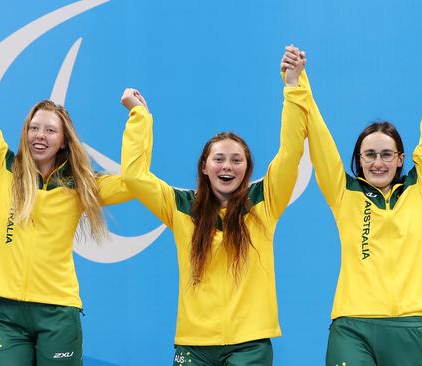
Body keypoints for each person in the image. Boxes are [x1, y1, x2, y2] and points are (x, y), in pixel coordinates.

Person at [0, 1, 131, 364]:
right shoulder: (5, 167)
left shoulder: (81, 185)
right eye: (34, 127)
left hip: (57, 312)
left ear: (64, 140)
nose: (39, 135)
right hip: (6, 313)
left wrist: (138, 119)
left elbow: (133, 182)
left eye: (50, 130)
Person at [119, 46, 310, 365]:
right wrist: (139, 117)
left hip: (249, 345)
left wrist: (292, 85)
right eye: (218, 159)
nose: (227, 167)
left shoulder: (264, 200)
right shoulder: (180, 206)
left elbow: (291, 152)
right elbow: (135, 177)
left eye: (237, 160)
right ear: (204, 167)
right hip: (194, 345)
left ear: (247, 168)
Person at [294, 46, 422, 365]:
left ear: (400, 160)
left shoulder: (417, 188)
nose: (377, 162)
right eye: (369, 155)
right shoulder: (344, 191)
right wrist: (298, 82)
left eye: (386, 154)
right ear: (360, 160)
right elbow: (320, 137)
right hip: (352, 325)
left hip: (406, 325)